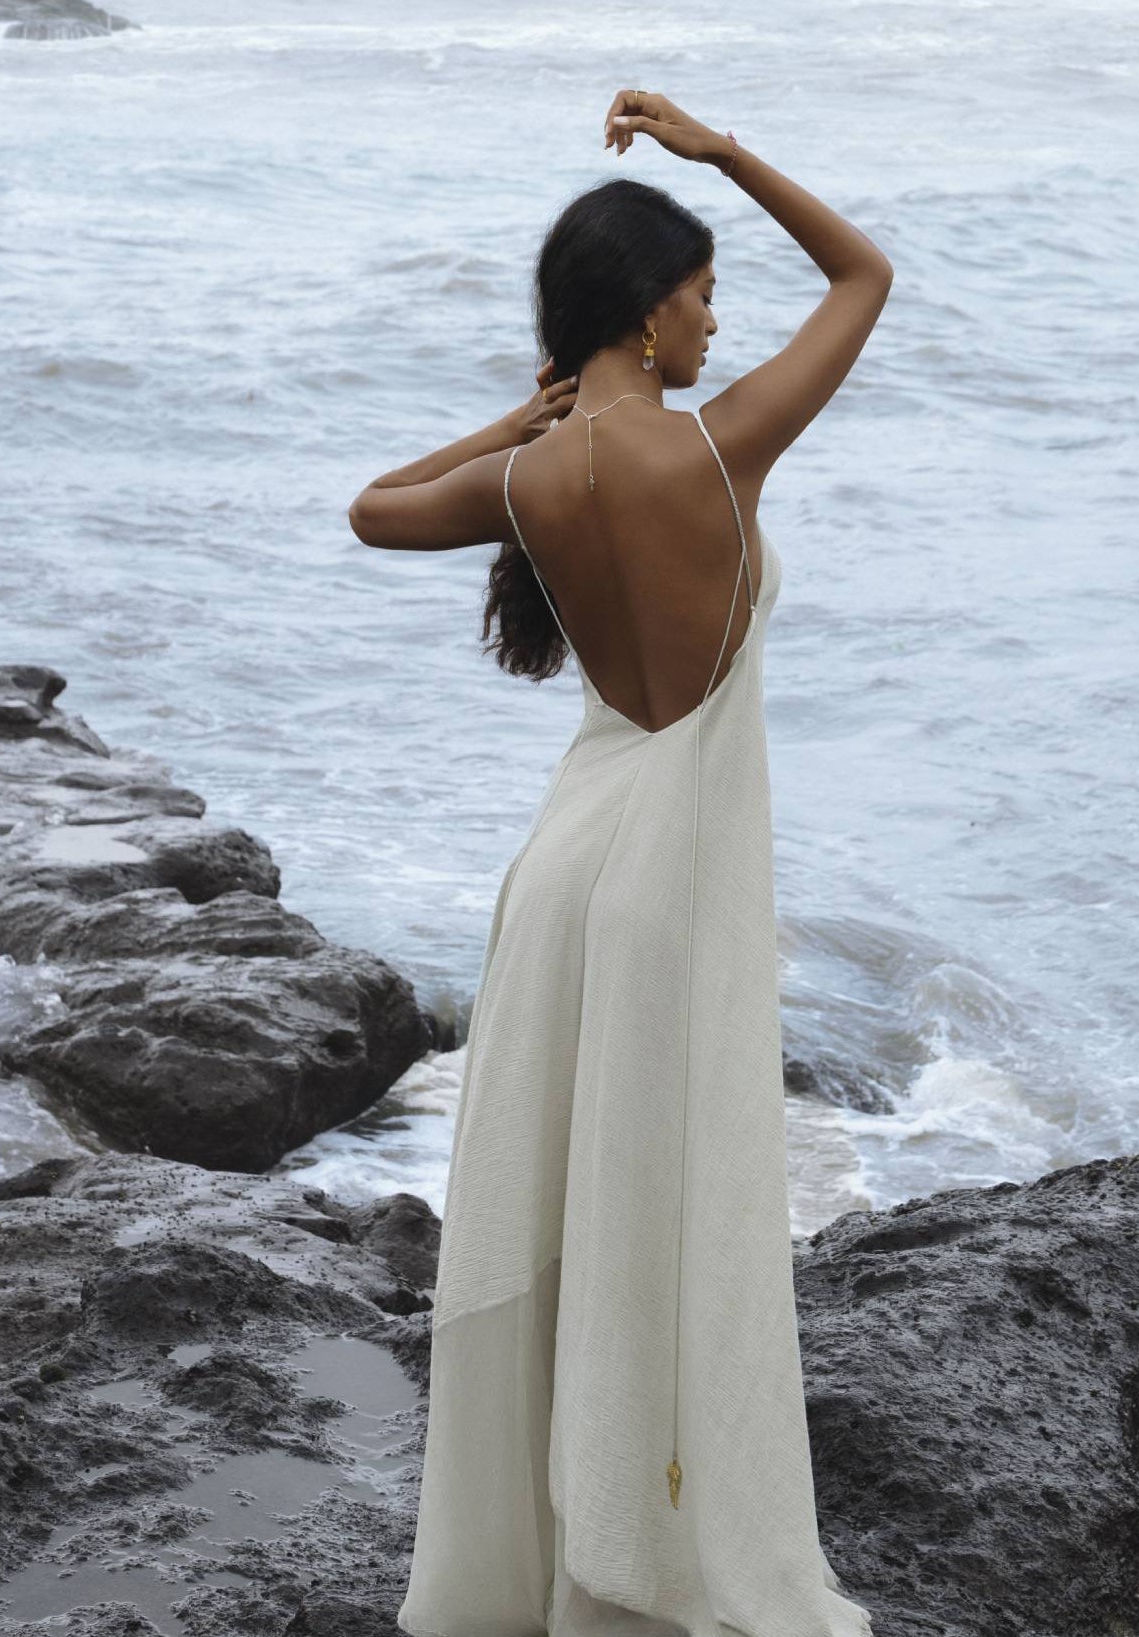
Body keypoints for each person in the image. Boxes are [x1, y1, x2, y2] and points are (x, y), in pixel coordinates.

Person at [349, 88, 892, 1637]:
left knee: (579, 1218)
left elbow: (372, 510)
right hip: (670, 888)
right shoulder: (717, 453)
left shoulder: (533, 480)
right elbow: (864, 278)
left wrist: (521, 420)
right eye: (706, 291)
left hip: (569, 873)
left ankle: (569, 1545)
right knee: (671, 1224)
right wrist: (722, 155)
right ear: (650, 307)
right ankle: (638, 1556)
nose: (719, 322)